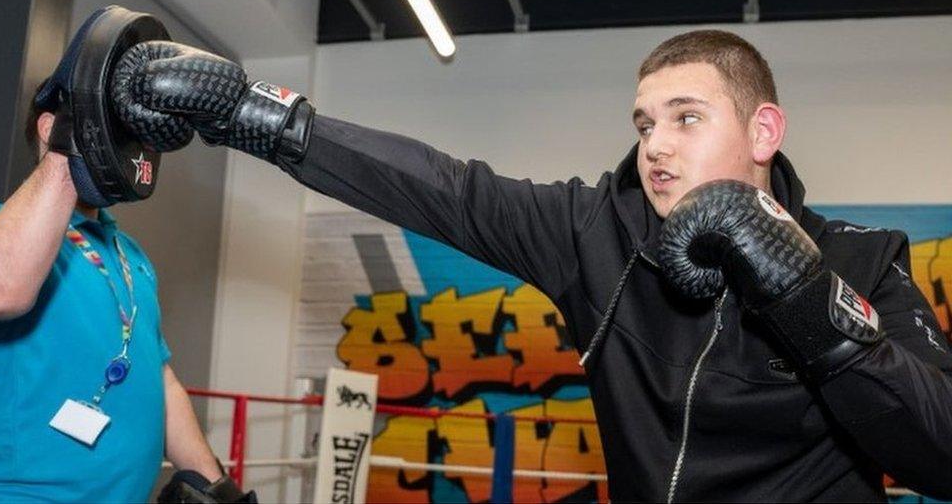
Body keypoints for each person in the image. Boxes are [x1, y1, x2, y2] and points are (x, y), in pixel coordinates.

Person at [116, 30, 952, 501]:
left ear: (764, 132)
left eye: (686, 118)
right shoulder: (599, 230)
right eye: (643, 121)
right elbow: (445, 190)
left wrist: (813, 304)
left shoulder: (861, 258)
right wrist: (257, 117)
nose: (655, 145)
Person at [0, 86, 249, 500]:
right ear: (52, 130)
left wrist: (215, 486)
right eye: (108, 130)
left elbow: (162, 377)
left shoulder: (128, 252)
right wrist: (66, 144)